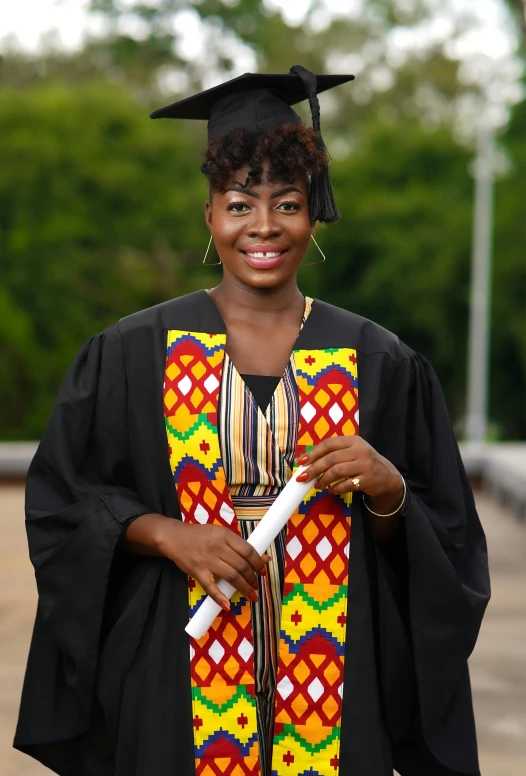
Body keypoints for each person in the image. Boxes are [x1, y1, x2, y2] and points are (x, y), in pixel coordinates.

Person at [14, 66, 490, 776]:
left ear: (314, 213)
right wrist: (170, 536)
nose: (263, 227)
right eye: (240, 205)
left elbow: (443, 546)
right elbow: (64, 502)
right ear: (209, 216)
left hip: (335, 676)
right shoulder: (133, 351)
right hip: (177, 675)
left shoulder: (378, 358)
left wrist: (387, 489)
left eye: (287, 204)